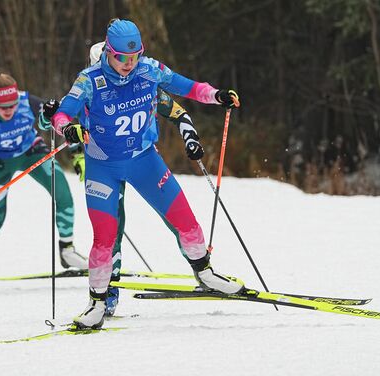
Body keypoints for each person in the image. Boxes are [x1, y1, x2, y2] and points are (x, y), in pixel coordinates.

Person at [44, 19, 241, 329]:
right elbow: (62, 113)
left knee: (186, 222)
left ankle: (206, 274)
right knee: (105, 239)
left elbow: (187, 87)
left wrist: (217, 96)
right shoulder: (90, 80)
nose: (128, 64)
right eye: (122, 57)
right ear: (108, 52)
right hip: (103, 167)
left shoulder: (149, 69)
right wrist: (67, 127)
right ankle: (96, 303)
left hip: (145, 161)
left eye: (134, 57)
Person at [89, 41, 205, 317]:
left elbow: (176, 111)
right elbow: (63, 121)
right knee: (111, 230)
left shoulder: (140, 82)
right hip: (104, 167)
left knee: (175, 218)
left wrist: (191, 138)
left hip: (142, 161)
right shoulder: (90, 88)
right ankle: (108, 292)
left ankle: (201, 270)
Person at [0, 70, 88, 292]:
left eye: (12, 105)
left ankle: (67, 250)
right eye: (3, 107)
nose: (9, 111)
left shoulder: (26, 101)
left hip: (31, 151)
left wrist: (77, 154)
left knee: (62, 191)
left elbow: (58, 120)